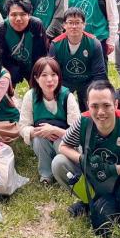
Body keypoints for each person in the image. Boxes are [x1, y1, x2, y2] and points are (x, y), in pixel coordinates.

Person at [52, 80, 120, 235]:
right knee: (59, 163)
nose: (100, 112)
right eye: (94, 106)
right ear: (87, 105)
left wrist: (114, 169)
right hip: (93, 177)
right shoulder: (83, 121)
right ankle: (89, 202)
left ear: (116, 104)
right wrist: (81, 159)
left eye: (106, 105)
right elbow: (63, 147)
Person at [19, 57, 80, 185]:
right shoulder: (30, 96)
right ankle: (46, 175)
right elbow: (23, 126)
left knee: (60, 144)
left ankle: (67, 171)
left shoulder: (67, 96)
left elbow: (78, 131)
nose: (49, 80)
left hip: (64, 139)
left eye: (53, 74)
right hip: (42, 139)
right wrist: (38, 131)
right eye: (44, 75)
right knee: (38, 140)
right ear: (36, 78)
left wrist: (55, 131)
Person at [48, 7, 107, 111]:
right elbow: (52, 72)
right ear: (64, 25)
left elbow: (100, 74)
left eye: (78, 22)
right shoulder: (55, 44)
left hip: (87, 82)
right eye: (70, 22)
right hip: (65, 81)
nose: (74, 26)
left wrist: (97, 95)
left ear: (84, 25)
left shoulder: (94, 43)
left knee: (91, 110)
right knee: (62, 109)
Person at [0, 0, 47, 87]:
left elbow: (41, 55)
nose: (18, 19)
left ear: (29, 15)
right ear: (7, 15)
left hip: (33, 70)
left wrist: (34, 80)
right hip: (12, 73)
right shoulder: (2, 29)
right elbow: (2, 59)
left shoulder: (36, 25)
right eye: (13, 15)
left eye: (23, 14)